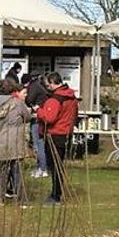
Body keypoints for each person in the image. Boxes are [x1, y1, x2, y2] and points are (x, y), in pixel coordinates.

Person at [0, 80, 32, 206]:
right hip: (15, 141)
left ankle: (0, 199)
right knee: (18, 172)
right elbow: (27, 117)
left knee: (1, 172)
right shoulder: (17, 103)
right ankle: (21, 200)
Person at [37, 72, 78, 206]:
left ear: (52, 83)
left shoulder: (55, 99)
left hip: (55, 134)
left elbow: (49, 118)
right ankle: (56, 193)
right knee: (58, 165)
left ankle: (56, 195)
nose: (46, 87)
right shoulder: (71, 97)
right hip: (66, 133)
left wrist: (39, 111)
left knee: (54, 166)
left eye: (47, 84)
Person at [25, 73, 50, 178]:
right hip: (41, 117)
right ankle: (41, 167)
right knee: (40, 145)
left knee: (38, 145)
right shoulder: (41, 87)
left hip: (37, 118)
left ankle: (42, 168)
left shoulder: (34, 87)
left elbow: (29, 100)